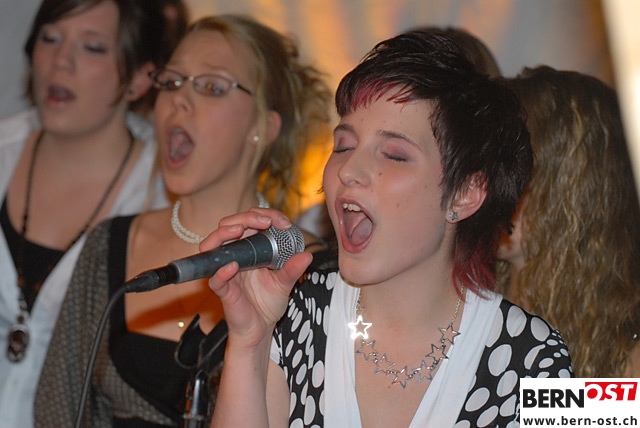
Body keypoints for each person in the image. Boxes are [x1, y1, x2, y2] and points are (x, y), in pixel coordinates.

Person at [204, 31, 573, 428]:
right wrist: (249, 342)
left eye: (394, 155)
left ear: (464, 194)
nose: (348, 170)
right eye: (343, 146)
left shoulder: (536, 356)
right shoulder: (297, 313)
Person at [35, 14, 333, 427]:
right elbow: (57, 408)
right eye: (172, 82)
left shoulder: (312, 272)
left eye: (211, 87)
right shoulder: (109, 243)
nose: (180, 100)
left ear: (264, 126)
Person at [0, 0, 183, 426]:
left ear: (139, 79)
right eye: (50, 39)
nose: (60, 62)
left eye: (93, 47)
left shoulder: (163, 196)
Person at [497, 65, 640, 378]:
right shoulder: (463, 308)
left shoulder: (628, 357)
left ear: (571, 190)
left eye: (512, 168)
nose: (489, 186)